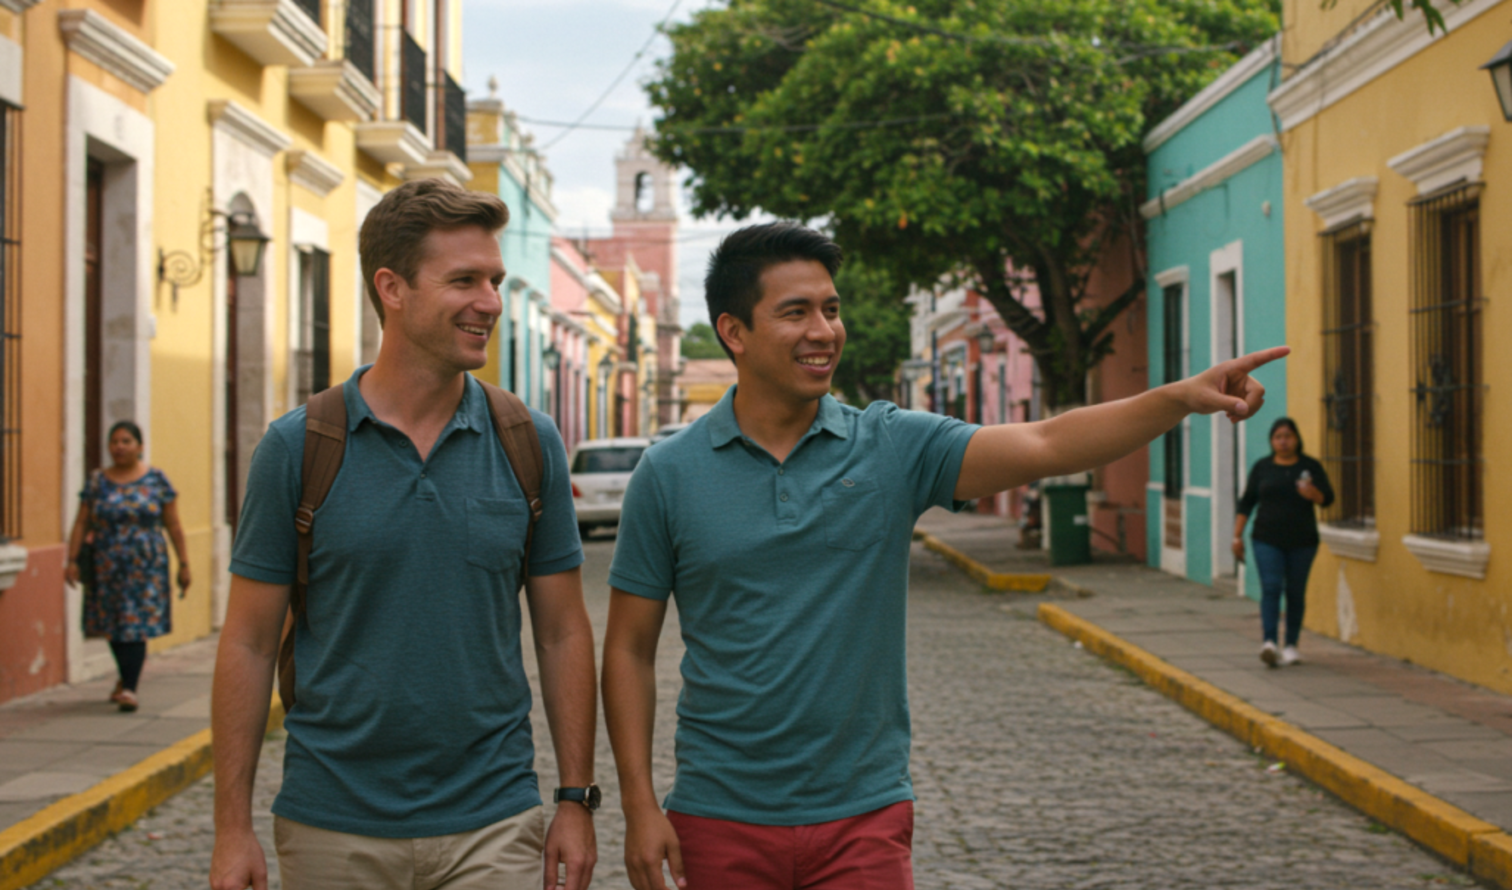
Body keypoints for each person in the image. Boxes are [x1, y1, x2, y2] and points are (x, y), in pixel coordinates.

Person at [602, 221, 1289, 890]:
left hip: (863, 817)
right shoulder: (669, 474)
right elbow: (630, 649)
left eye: (832, 309)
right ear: (734, 332)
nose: (825, 330)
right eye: (796, 312)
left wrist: (1177, 399)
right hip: (721, 818)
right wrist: (638, 806)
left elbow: (1047, 443)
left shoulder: (889, 446)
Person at [209, 179, 598, 890]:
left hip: (495, 820)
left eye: (495, 280)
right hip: (332, 824)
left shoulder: (527, 442)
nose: (491, 301)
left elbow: (563, 632)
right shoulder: (299, 449)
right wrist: (231, 828)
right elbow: (249, 641)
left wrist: (574, 800)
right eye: (464, 280)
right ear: (392, 287)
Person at [64, 420, 191, 713]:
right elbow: (82, 521)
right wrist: (71, 560)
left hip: (146, 567)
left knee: (135, 626)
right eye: (114, 441)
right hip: (107, 567)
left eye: (126, 441)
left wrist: (184, 563)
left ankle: (130, 688)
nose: (119, 447)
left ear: (140, 446)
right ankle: (125, 678)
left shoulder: (156, 480)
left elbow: (173, 524)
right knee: (112, 625)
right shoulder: (98, 481)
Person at [1233, 417, 1333, 668]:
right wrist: (1237, 536)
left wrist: (1313, 494)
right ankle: (1269, 642)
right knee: (1271, 586)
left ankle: (1291, 645)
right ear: (1272, 441)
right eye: (1278, 437)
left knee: (1295, 591)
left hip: (1303, 541)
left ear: (1296, 439)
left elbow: (1328, 499)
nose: (1283, 441)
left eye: (1288, 436)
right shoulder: (1263, 467)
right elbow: (1247, 503)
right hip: (1267, 538)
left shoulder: (1310, 467)